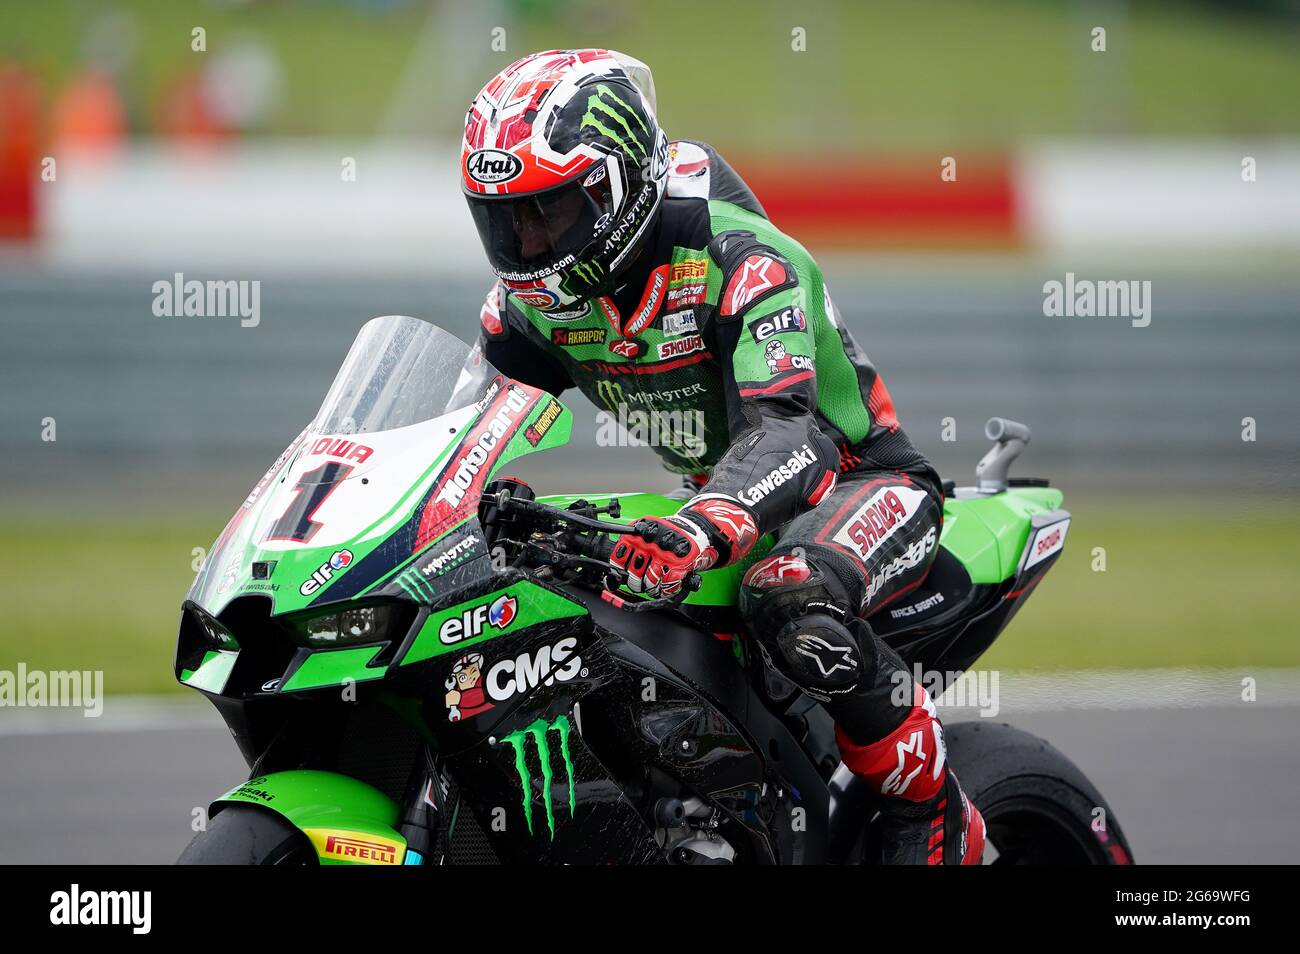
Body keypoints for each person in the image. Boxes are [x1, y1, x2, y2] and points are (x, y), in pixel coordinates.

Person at [461, 49, 983, 864]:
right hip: (726, 500)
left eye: (550, 212)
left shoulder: (739, 258)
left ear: (618, 188)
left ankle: (936, 814)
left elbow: (791, 434)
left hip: (857, 483)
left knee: (791, 592)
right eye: (505, 217)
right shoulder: (531, 308)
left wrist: (707, 523)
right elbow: (463, 428)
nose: (527, 242)